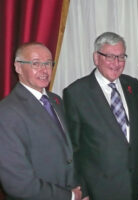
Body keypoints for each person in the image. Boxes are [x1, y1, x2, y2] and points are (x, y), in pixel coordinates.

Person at [63, 32, 138, 200]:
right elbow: (73, 148)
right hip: (98, 188)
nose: (116, 63)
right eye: (109, 57)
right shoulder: (76, 93)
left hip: (133, 183)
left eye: (121, 57)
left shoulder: (133, 85)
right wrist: (82, 189)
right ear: (96, 58)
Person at [0, 42, 86, 200]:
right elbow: (17, 184)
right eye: (35, 63)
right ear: (18, 67)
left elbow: (68, 153)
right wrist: (70, 196)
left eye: (48, 63)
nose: (44, 69)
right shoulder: (7, 113)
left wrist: (80, 190)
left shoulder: (55, 100)